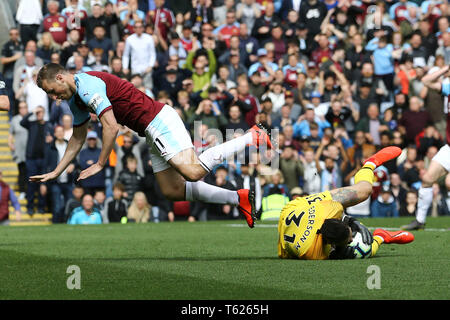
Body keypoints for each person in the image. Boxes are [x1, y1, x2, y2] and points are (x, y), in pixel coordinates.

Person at [32, 64, 273, 228]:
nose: (55, 97)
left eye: (52, 91)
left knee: (193, 172)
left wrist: (99, 163)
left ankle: (253, 136)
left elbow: (111, 126)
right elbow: (77, 137)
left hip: (159, 121)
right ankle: (239, 198)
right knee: (172, 190)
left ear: (61, 77)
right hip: (149, 129)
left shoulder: (87, 85)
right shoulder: (76, 100)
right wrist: (57, 171)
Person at [278, 146, 414, 260]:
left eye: (349, 236)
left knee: (364, 191)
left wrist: (352, 221)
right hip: (295, 217)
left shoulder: (331, 210)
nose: (351, 240)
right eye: (349, 239)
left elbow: (340, 214)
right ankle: (381, 237)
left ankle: (370, 164)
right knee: (358, 252)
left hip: (301, 206)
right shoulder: (312, 252)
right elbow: (334, 251)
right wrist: (341, 253)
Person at [402, 65, 450, 230]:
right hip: (449, 148)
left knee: (449, 183)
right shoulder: (448, 88)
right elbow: (426, 80)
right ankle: (420, 221)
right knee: (428, 179)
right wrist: (446, 68)